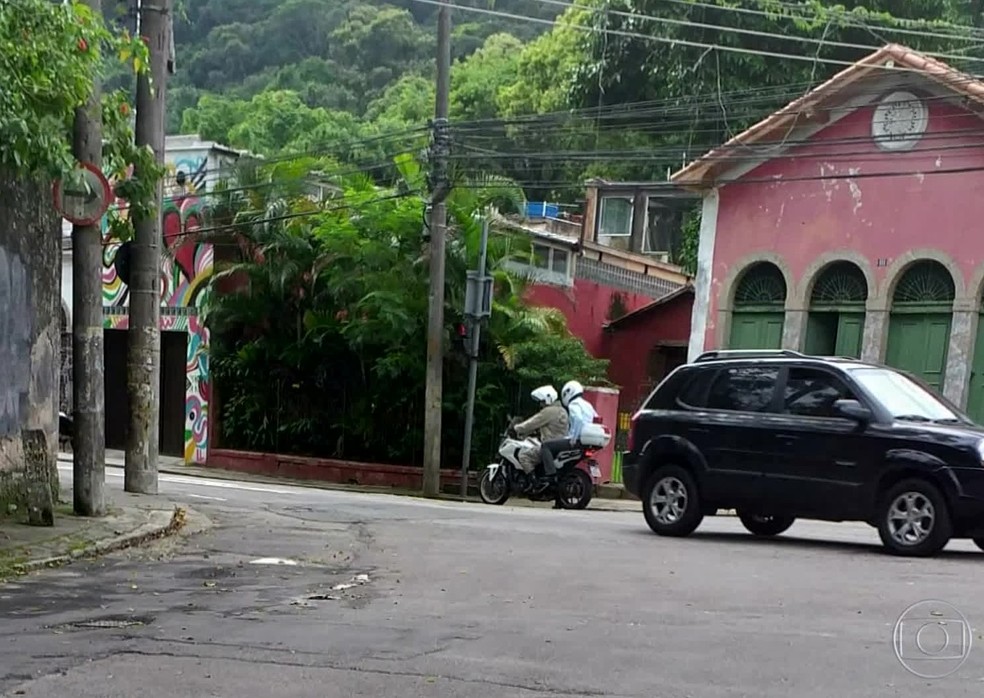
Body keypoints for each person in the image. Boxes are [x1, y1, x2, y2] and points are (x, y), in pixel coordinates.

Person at [539, 379, 598, 485]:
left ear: (568, 392)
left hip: (578, 439)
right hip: (587, 441)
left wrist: (574, 438)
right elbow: (596, 418)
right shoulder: (587, 405)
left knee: (546, 446)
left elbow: (578, 419)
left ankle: (550, 475)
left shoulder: (573, 404)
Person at [512, 385, 568, 479]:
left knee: (523, 456)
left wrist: (517, 428)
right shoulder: (562, 411)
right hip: (560, 445)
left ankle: (533, 482)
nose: (540, 404)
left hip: (549, 446)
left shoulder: (549, 411)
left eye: (542, 401)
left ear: (548, 399)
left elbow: (532, 423)